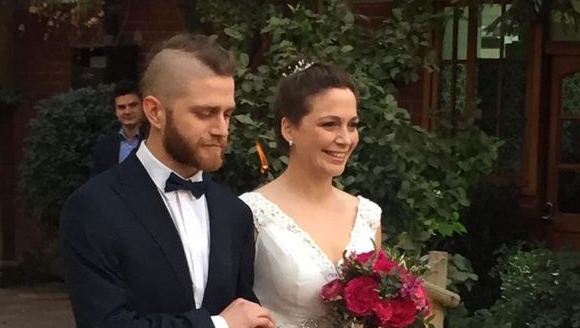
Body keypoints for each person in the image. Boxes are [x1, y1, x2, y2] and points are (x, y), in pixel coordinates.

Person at [61, 34, 275, 328]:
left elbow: (246, 314)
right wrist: (218, 326)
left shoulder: (234, 214)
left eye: (227, 114)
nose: (222, 129)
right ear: (155, 112)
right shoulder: (93, 208)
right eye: (205, 113)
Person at [240, 62, 382, 328]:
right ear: (288, 129)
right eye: (330, 124)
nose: (345, 139)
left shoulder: (368, 215)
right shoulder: (250, 213)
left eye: (352, 125)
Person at [91, 79, 144, 177]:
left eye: (132, 105)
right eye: (121, 107)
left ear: (143, 107)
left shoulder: (155, 141)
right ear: (116, 112)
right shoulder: (104, 146)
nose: (127, 111)